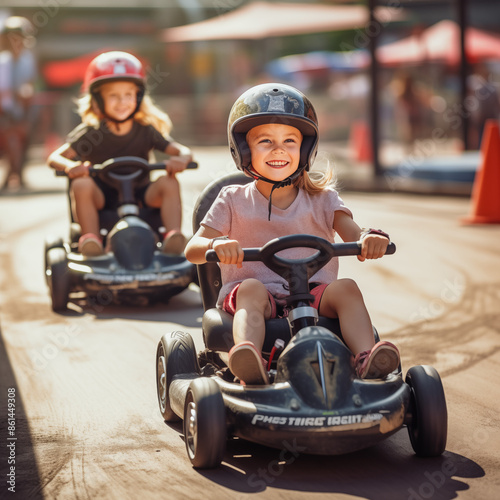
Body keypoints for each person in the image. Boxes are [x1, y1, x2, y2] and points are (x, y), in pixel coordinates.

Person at [185, 83, 400, 386]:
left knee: (347, 288)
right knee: (250, 288)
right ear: (243, 150)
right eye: (265, 141)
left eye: (289, 140)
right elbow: (193, 248)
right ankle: (248, 358)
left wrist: (368, 238)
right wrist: (216, 243)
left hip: (313, 297)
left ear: (305, 149)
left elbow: (355, 233)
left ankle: (366, 359)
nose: (278, 149)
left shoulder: (324, 199)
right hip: (258, 298)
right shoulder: (231, 199)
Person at [48, 51, 192, 256]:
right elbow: (54, 158)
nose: (121, 102)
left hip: (142, 197)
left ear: (138, 97)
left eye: (128, 95)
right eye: (113, 96)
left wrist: (182, 159)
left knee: (169, 181)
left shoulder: (145, 130)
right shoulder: (92, 133)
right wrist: (70, 167)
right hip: (102, 200)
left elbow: (181, 150)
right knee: (80, 183)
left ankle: (173, 237)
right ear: (97, 99)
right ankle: (91, 240)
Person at [0, 16, 37, 190]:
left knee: (24, 140)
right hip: (4, 110)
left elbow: (31, 84)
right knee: (9, 143)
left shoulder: (28, 60)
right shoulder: (2, 61)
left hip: (23, 109)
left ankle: (16, 175)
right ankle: (9, 177)